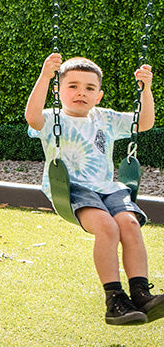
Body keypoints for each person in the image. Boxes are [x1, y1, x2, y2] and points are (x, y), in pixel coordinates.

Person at [26, 53, 164, 325]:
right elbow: (32, 117)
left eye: (90, 88)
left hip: (107, 188)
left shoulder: (105, 118)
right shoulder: (52, 118)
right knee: (107, 227)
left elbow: (144, 123)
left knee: (130, 224)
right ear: (58, 91)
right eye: (73, 86)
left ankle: (140, 293)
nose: (82, 92)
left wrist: (146, 90)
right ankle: (115, 300)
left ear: (98, 96)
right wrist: (44, 75)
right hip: (72, 189)